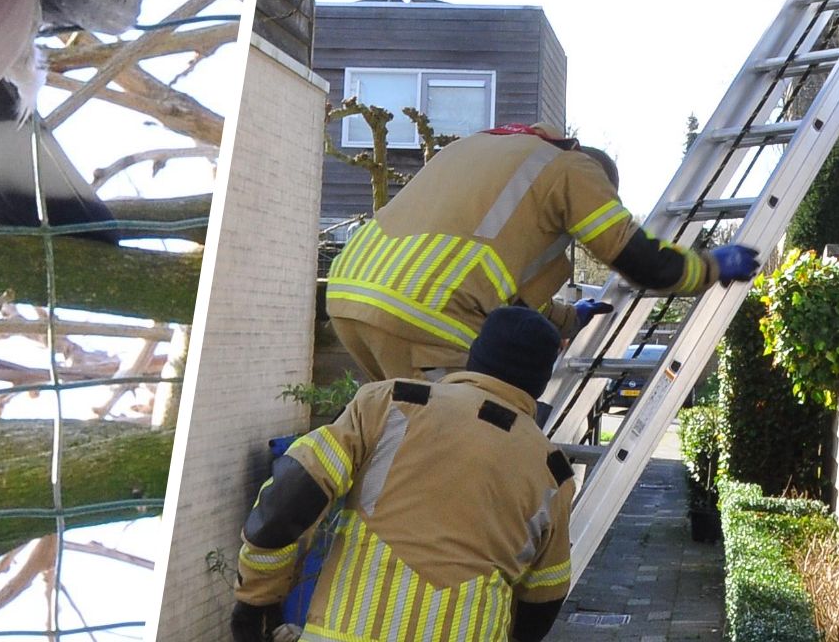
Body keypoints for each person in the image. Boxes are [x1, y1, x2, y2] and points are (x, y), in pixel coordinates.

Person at [231, 307, 579, 642]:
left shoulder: (389, 402)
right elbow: (542, 604)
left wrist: (256, 597)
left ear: (475, 355)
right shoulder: (551, 470)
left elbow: (292, 494)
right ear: (541, 381)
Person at [325, 122, 760, 381]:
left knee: (397, 433)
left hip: (350, 296)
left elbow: (496, 284)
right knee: (450, 450)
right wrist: (708, 267)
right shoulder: (576, 172)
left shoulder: (484, 151)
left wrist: (570, 317)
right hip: (426, 317)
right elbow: (638, 259)